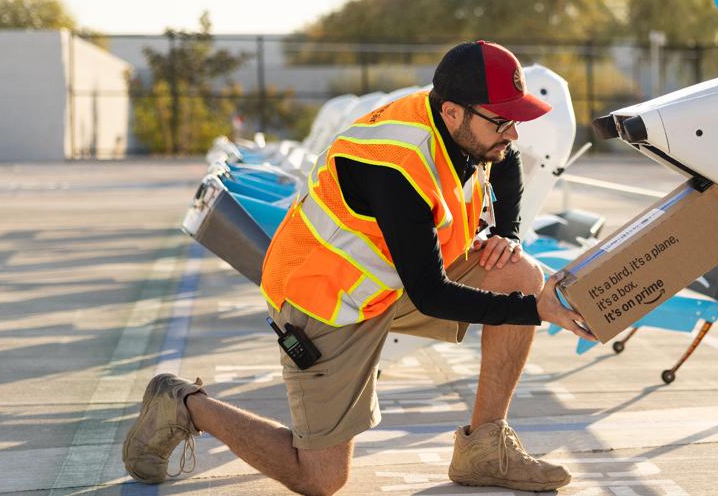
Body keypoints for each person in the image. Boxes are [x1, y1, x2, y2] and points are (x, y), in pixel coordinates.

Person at [122, 40, 593, 495]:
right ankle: (184, 404)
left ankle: (484, 451)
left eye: (516, 120)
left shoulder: (464, 125)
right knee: (320, 479)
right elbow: (431, 293)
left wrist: (508, 234)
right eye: (502, 121)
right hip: (326, 301)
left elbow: (506, 161)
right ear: (453, 112)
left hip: (388, 281)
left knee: (518, 272)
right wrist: (536, 310)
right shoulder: (397, 166)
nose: (513, 134)